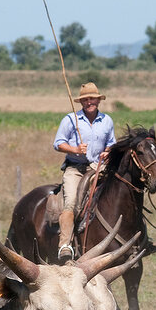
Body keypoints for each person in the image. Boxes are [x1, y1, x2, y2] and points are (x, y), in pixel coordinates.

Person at [53, 82, 116, 261]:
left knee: (122, 190)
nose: (90, 102)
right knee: (71, 203)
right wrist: (75, 149)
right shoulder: (71, 119)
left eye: (93, 98)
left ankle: (137, 238)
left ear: (98, 100)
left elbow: (112, 142)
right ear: (81, 102)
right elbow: (58, 143)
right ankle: (64, 244)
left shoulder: (107, 120)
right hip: (76, 169)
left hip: (99, 167)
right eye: (86, 99)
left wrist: (108, 151)